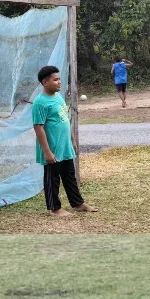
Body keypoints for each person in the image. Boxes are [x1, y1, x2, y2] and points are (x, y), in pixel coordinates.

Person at [32, 65, 97, 217]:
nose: (59, 82)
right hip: (52, 148)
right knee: (52, 179)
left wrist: (72, 139)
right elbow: (38, 128)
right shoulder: (40, 103)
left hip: (64, 146)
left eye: (59, 79)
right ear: (45, 82)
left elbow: (65, 120)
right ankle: (55, 208)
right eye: (55, 80)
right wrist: (47, 152)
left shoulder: (59, 97)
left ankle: (78, 203)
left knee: (69, 176)